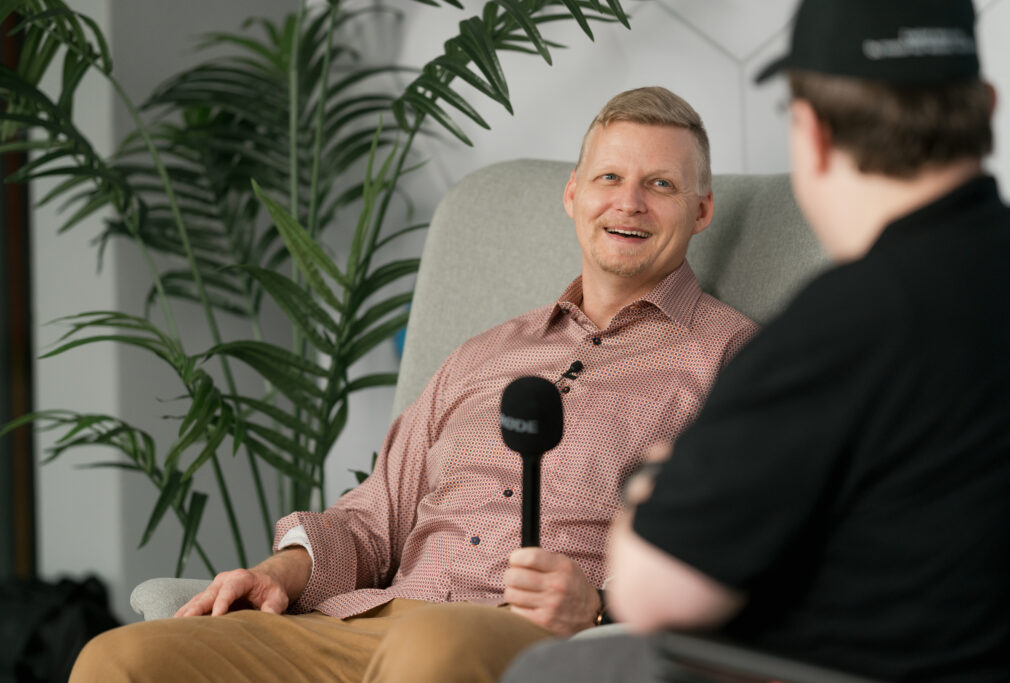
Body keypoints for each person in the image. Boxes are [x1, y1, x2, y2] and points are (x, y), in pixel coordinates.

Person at [70, 86, 758, 683]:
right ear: (575, 195)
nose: (629, 202)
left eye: (661, 184)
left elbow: (734, 547)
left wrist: (602, 603)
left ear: (701, 211)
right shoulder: (484, 352)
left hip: (539, 639)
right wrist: (282, 571)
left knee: (435, 644)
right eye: (609, 177)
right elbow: (374, 520)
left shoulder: (732, 356)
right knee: (119, 660)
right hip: (367, 623)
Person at [503, 1, 1010, 682]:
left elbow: (651, 590)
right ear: (985, 107)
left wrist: (651, 483)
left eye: (659, 183)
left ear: (810, 132)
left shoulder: (843, 323)